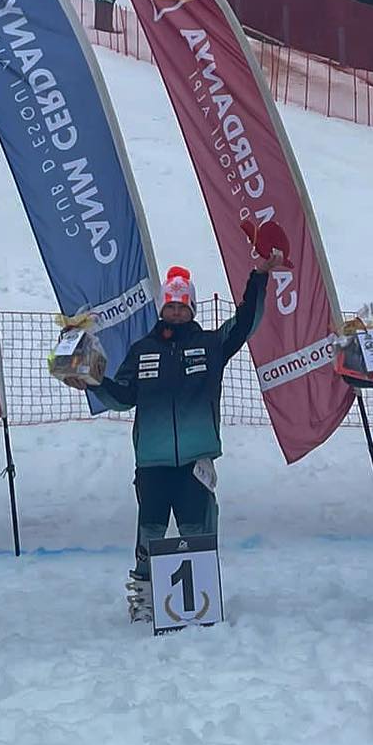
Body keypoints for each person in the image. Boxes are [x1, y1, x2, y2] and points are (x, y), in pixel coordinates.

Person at [69, 254, 279, 622]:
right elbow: (122, 396)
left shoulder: (212, 344)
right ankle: (145, 595)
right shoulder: (141, 350)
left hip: (195, 459)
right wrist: (93, 380)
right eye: (171, 305)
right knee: (149, 530)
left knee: (196, 529)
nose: (176, 312)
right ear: (162, 308)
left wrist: (258, 277)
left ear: (193, 308)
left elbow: (246, 321)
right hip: (152, 460)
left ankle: (200, 597)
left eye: (183, 306)